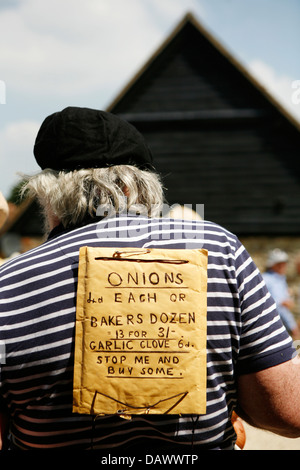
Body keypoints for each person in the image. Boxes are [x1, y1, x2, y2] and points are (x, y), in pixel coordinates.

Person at [0, 106, 300, 452]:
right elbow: (288, 414)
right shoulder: (220, 251)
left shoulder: (8, 282)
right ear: (139, 187)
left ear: (47, 192)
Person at [263, 249, 299, 338]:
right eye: (279, 264)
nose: (283, 266)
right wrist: (293, 327)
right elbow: (280, 306)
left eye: (284, 263)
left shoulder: (280, 279)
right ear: (272, 265)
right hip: (271, 328)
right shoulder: (268, 279)